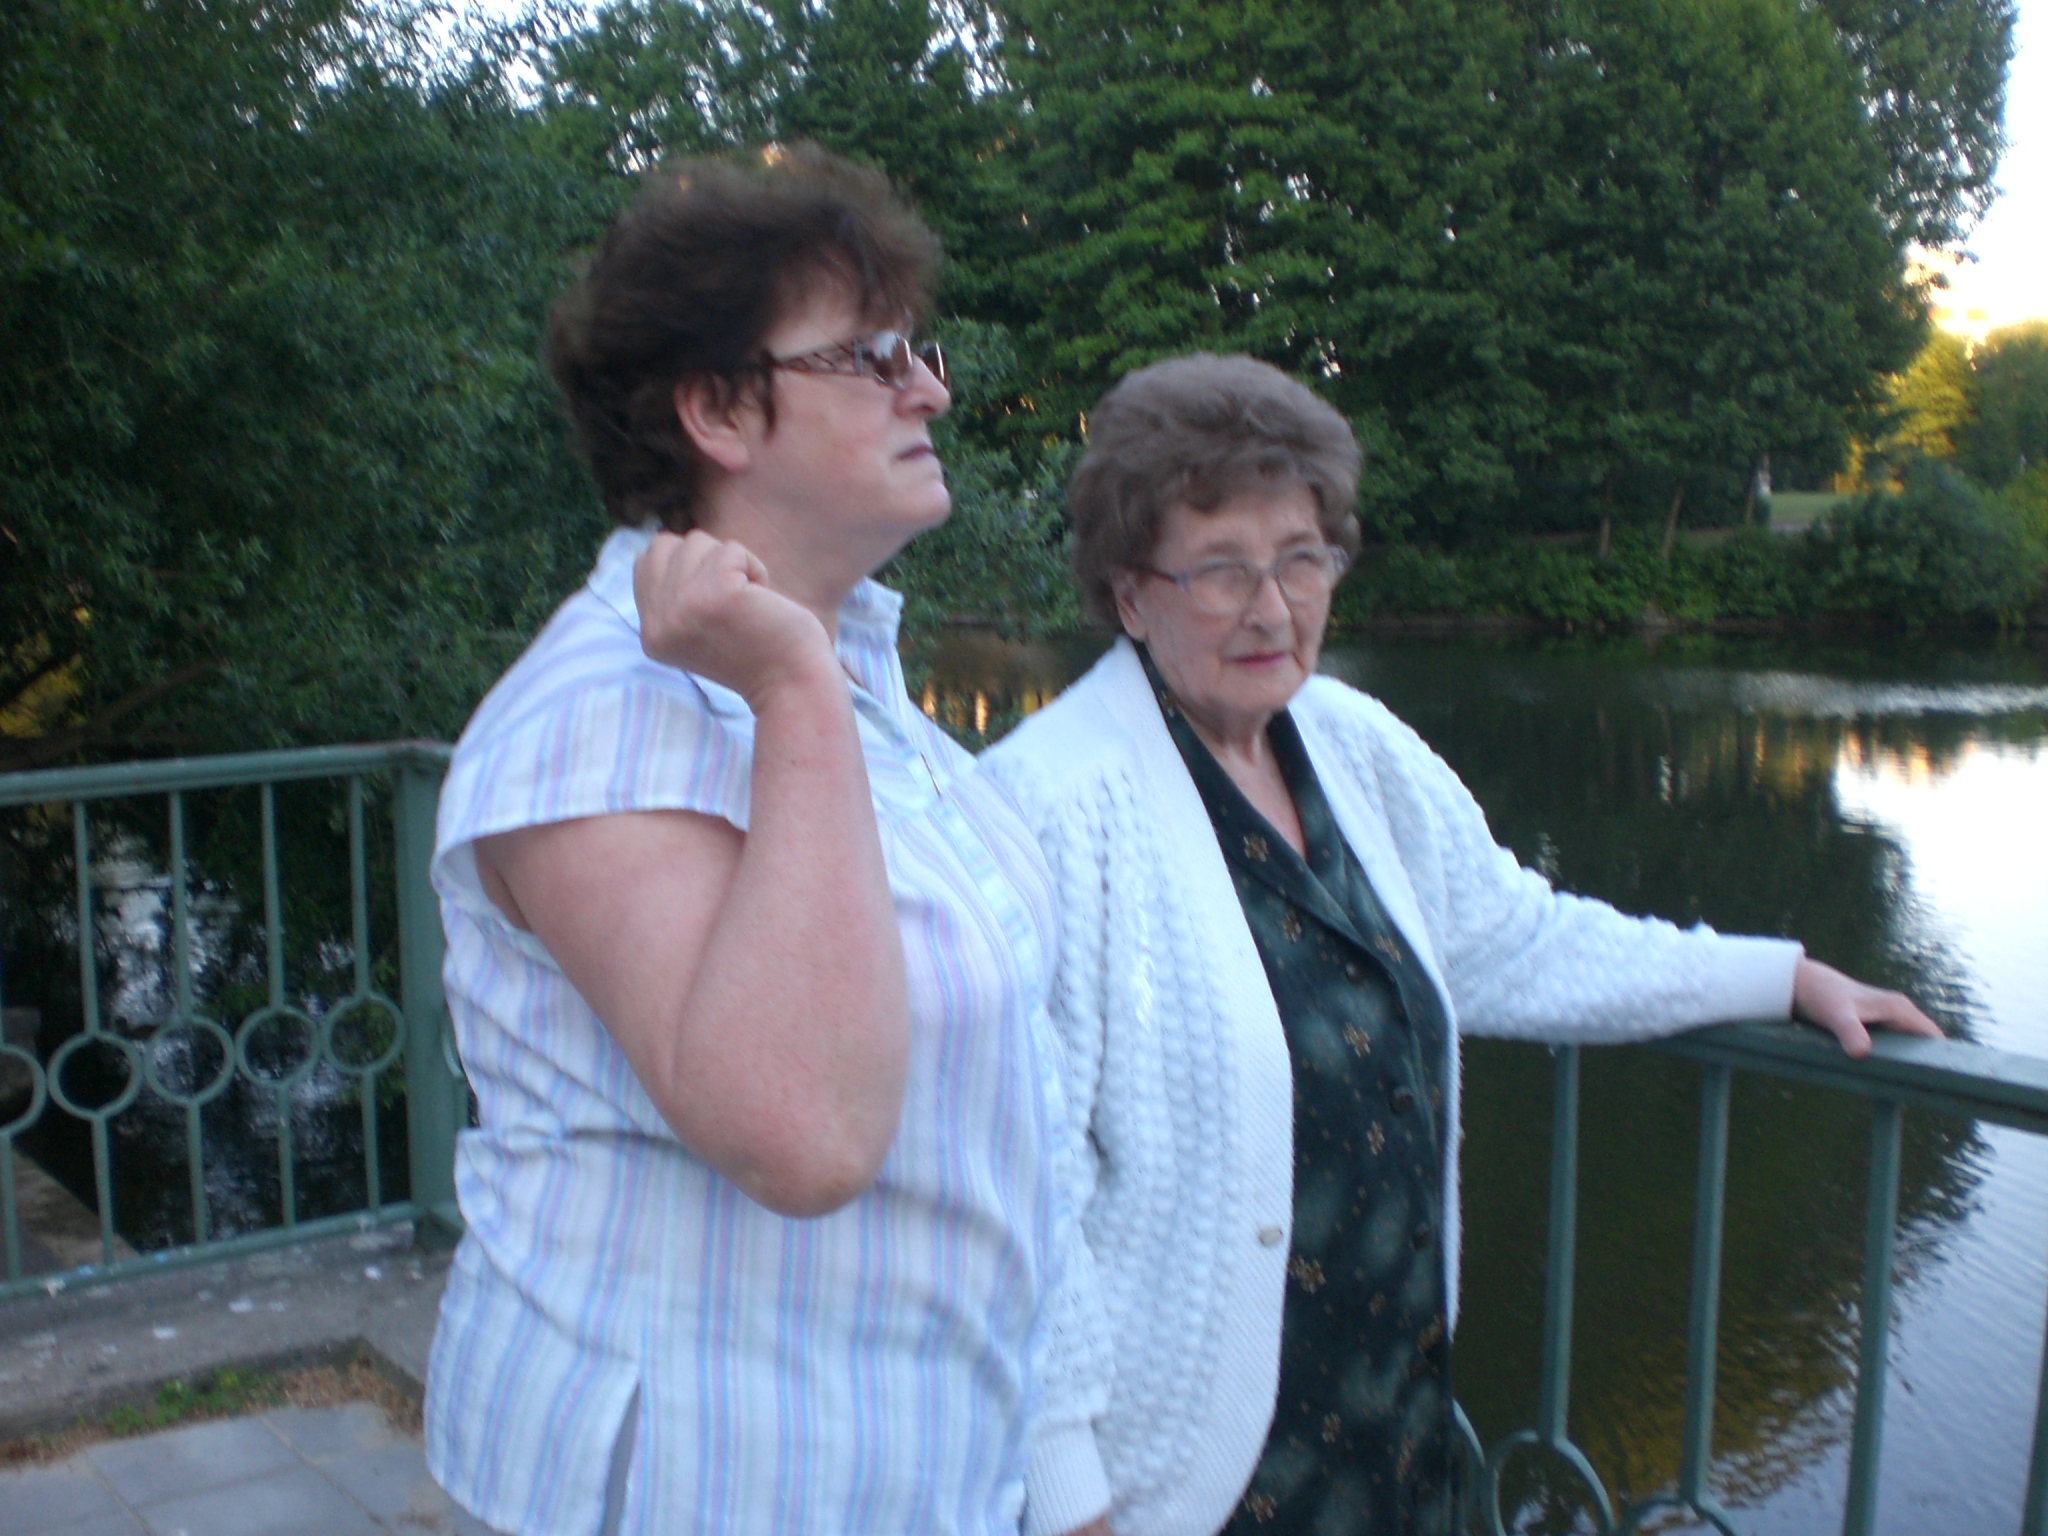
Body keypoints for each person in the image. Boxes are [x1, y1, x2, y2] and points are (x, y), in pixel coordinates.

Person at [979, 354, 1941, 1536]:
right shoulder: (1048, 810)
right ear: (1130, 594)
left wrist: (1774, 975)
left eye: (1300, 559)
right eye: (1221, 569)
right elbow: (1019, 1196)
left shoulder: (1347, 742)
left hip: (1395, 1430)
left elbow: (1515, 939)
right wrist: (1069, 1501)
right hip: (1182, 1481)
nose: (1272, 609)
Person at [425, 145, 1097, 1536]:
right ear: (720, 410)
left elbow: (1005, 1120)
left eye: (917, 349)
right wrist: (791, 691)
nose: (930, 388)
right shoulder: (598, 717)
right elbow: (802, 1134)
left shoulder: (862, 686)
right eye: (872, 357)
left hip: (919, 1474)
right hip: (713, 1484)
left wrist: (1057, 1471)